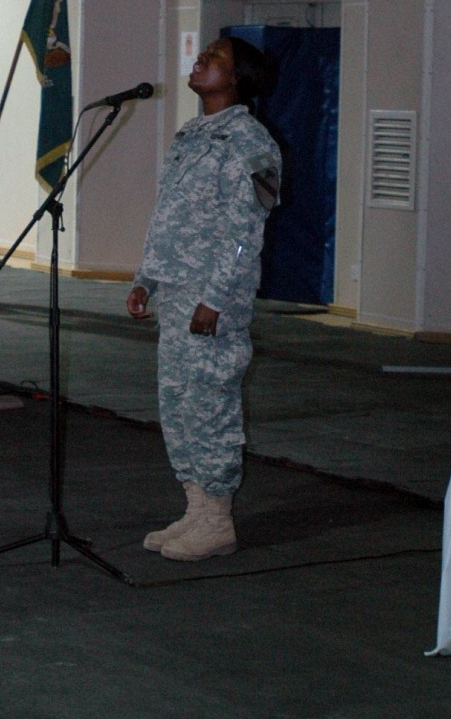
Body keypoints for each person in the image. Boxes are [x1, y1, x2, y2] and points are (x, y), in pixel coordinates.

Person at [127, 35, 281, 562]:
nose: (201, 62)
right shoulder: (191, 136)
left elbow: (245, 233)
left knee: (211, 404)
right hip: (174, 296)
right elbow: (167, 216)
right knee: (178, 403)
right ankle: (195, 509)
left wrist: (214, 299)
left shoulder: (250, 142)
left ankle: (218, 519)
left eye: (215, 59)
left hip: (212, 302)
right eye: (204, 55)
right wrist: (146, 277)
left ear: (236, 79)